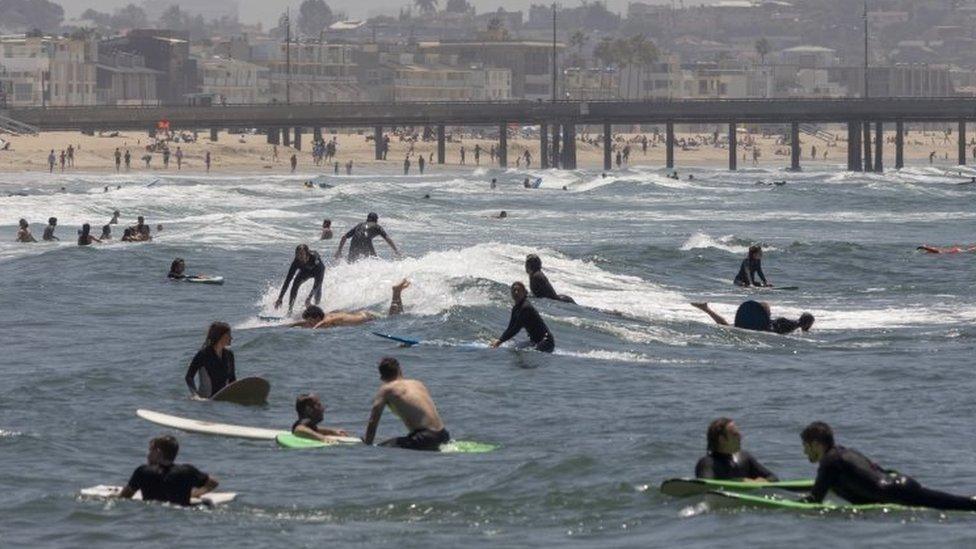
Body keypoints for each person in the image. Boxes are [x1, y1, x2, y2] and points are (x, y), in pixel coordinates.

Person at [798, 422, 976, 511]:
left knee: (962, 505)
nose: (805, 453)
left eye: (806, 447)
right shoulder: (843, 452)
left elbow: (815, 499)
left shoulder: (829, 462)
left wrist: (779, 507)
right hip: (900, 485)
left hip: (897, 492)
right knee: (958, 503)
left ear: (815, 444)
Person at [363, 357, 450, 451]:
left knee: (381, 448)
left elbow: (373, 421)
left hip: (425, 438)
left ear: (381, 377)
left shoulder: (386, 390)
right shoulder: (417, 383)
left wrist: (367, 445)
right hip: (443, 435)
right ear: (400, 370)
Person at [118, 435, 218, 507]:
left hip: (151, 514)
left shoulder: (143, 471)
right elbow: (213, 483)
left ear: (158, 452)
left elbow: (124, 498)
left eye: (150, 451)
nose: (148, 455)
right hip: (181, 515)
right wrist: (194, 494)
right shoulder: (187, 471)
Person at [293, 279, 409, 329]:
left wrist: (314, 329)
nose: (309, 323)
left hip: (369, 317)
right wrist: (287, 325)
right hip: (365, 315)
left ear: (317, 317)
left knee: (394, 317)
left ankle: (396, 292)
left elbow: (323, 323)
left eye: (310, 321)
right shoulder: (324, 316)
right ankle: (398, 292)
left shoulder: (329, 319)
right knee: (395, 314)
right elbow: (305, 323)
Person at [695, 418, 778, 481]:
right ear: (722, 439)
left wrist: (759, 482)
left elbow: (773, 478)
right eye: (735, 435)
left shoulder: (744, 458)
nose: (740, 437)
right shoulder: (707, 463)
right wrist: (741, 482)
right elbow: (706, 487)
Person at [491, 281, 555, 353]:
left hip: (546, 342)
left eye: (519, 290)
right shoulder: (516, 308)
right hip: (535, 341)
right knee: (513, 348)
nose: (516, 292)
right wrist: (499, 339)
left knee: (527, 352)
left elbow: (516, 328)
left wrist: (500, 341)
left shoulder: (525, 308)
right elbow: (510, 327)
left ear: (524, 293)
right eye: (514, 290)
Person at [692, 301, 814, 335]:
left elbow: (807, 318)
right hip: (759, 328)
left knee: (727, 326)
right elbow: (807, 318)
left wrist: (804, 328)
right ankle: (706, 308)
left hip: (757, 327)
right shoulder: (781, 324)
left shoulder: (781, 323)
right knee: (726, 326)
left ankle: (706, 309)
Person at [184, 322, 236, 399]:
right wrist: (195, 395)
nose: (231, 338)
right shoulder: (203, 354)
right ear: (220, 336)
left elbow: (232, 379)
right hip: (206, 402)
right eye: (228, 335)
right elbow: (189, 377)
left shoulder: (229, 355)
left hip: (223, 400)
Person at [275, 244, 325, 314]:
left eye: (301, 254)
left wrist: (309, 298)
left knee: (318, 288)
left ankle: (317, 308)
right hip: (305, 272)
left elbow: (318, 282)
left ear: (307, 254)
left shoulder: (315, 259)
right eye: (297, 254)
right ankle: (290, 311)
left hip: (318, 271)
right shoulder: (296, 262)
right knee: (295, 285)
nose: (299, 256)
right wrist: (280, 298)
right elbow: (287, 281)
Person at [334, 213, 399, 262]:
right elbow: (387, 238)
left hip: (354, 242)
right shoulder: (377, 226)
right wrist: (396, 251)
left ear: (367, 219)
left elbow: (344, 237)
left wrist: (339, 250)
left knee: (351, 262)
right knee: (374, 260)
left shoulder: (359, 225)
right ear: (376, 220)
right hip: (366, 242)